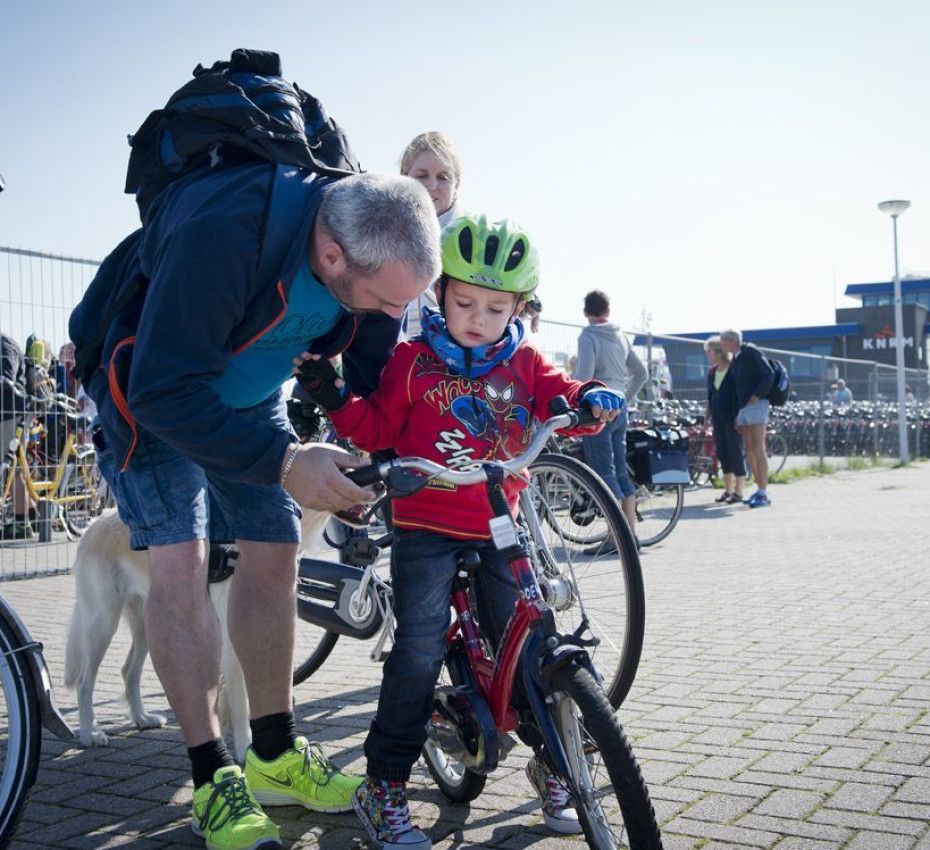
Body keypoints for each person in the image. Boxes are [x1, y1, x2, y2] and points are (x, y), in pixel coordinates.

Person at [80, 165, 440, 850]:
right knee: (180, 559)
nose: (391, 320)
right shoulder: (223, 237)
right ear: (332, 255)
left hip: (250, 390)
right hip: (152, 393)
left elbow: (370, 377)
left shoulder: (374, 266)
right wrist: (283, 463)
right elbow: (162, 389)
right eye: (384, 304)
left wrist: (365, 462)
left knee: (275, 549)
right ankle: (213, 778)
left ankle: (273, 756)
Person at [296, 215, 624, 848]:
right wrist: (333, 396)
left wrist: (589, 398)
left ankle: (557, 764)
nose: (477, 316)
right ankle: (385, 787)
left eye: (495, 307)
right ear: (440, 293)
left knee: (526, 644)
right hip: (425, 525)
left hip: (498, 522)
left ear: (519, 309)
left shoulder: (525, 363)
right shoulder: (413, 361)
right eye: (464, 301)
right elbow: (376, 427)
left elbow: (562, 400)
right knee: (418, 650)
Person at [572, 290, 648, 544]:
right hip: (619, 408)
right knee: (620, 472)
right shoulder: (621, 335)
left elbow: (584, 375)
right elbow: (642, 373)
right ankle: (630, 534)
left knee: (603, 472)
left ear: (586, 312)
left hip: (597, 409)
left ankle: (614, 538)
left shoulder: (588, 336)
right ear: (608, 310)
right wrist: (625, 397)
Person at [719, 328, 774, 508]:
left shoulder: (751, 351)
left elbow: (768, 374)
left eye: (722, 341)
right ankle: (759, 490)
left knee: (758, 447)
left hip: (756, 405)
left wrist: (757, 395)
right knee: (749, 448)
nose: (721, 345)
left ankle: (764, 493)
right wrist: (737, 414)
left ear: (731, 341)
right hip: (744, 409)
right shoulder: (737, 358)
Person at [1, 332, 36, 540]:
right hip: (7, 414)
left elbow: (7, 379)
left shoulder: (4, 345)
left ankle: (23, 523)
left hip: (12, 415)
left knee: (10, 467)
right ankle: (32, 513)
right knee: (12, 469)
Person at [703, 336, 746, 503]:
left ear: (719, 352)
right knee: (722, 453)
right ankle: (728, 490)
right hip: (718, 419)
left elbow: (739, 395)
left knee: (735, 452)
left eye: (710, 351)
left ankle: (739, 491)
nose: (708, 354)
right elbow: (710, 396)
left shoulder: (733, 369)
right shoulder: (712, 372)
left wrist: (739, 417)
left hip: (732, 418)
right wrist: (707, 416)